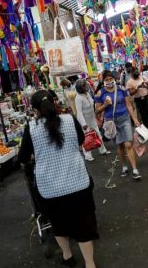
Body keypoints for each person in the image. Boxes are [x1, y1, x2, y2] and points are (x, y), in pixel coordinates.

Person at [19, 90, 98, 268]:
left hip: (49, 188)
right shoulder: (70, 120)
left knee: (58, 222)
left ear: (35, 110)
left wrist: (36, 156)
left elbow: (23, 157)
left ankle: (67, 255)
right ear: (54, 103)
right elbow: (80, 139)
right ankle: (90, 264)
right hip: (77, 181)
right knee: (83, 223)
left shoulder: (31, 128)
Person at [96, 71, 143, 180]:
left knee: (128, 144)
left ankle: (135, 170)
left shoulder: (122, 89)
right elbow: (97, 111)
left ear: (114, 78)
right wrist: (105, 105)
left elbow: (128, 104)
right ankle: (124, 166)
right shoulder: (100, 93)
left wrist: (135, 119)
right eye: (106, 80)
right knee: (120, 146)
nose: (109, 81)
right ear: (103, 81)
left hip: (124, 119)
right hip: (111, 122)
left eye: (110, 79)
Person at [74, 79, 110, 161]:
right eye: (85, 85)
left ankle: (103, 150)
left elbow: (92, 104)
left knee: (98, 135)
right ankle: (87, 155)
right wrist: (83, 124)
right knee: (87, 139)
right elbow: (79, 112)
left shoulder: (87, 94)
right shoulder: (78, 98)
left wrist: (97, 115)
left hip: (92, 119)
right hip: (85, 121)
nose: (87, 86)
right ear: (81, 87)